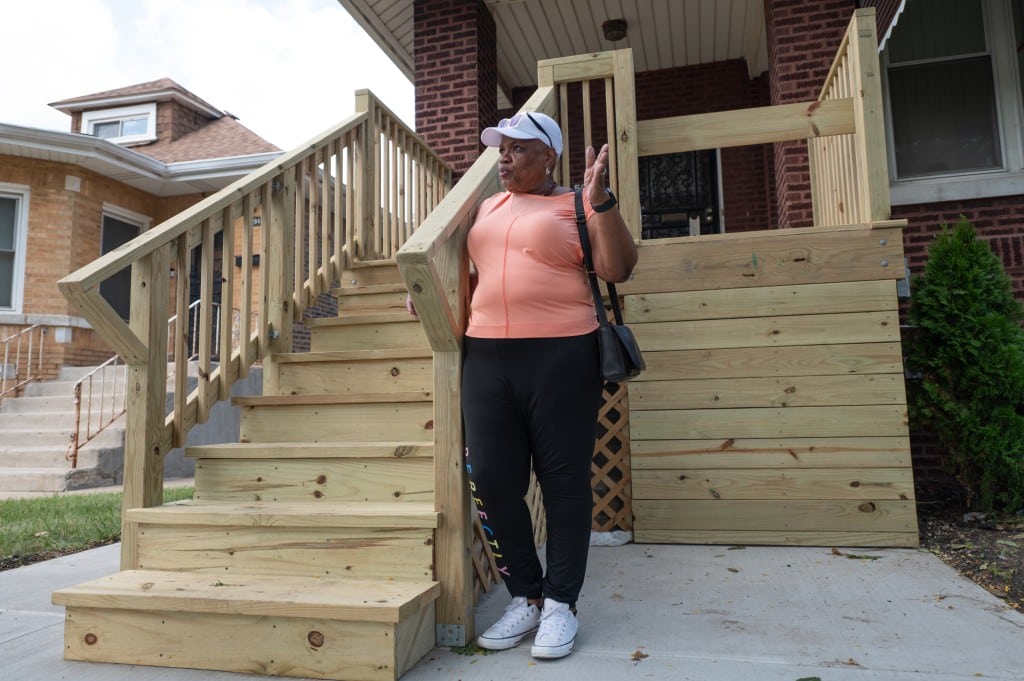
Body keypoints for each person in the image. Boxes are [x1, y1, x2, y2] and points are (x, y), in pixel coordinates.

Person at [409, 111, 636, 659]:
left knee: (562, 482)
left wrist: (602, 200)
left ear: (548, 156)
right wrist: (433, 292)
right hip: (487, 355)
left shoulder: (577, 204)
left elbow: (618, 268)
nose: (504, 158)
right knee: (490, 477)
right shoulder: (487, 207)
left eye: (517, 148)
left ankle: (561, 604)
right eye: (500, 149)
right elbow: (485, 272)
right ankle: (526, 596)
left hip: (563, 354)